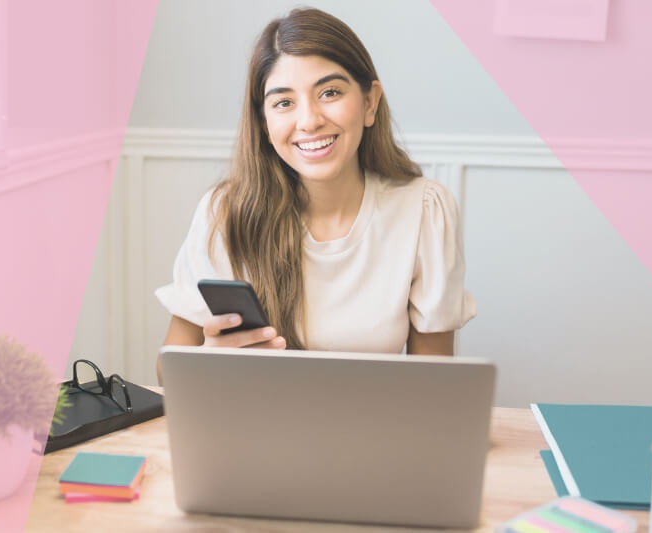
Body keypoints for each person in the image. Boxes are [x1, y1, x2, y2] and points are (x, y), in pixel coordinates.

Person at [155, 7, 475, 380]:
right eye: (284, 102)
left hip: (371, 432)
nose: (309, 120)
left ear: (370, 102)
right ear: (264, 121)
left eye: (330, 92)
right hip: (256, 429)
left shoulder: (424, 210)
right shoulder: (224, 212)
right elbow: (167, 372)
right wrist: (204, 362)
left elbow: (433, 386)